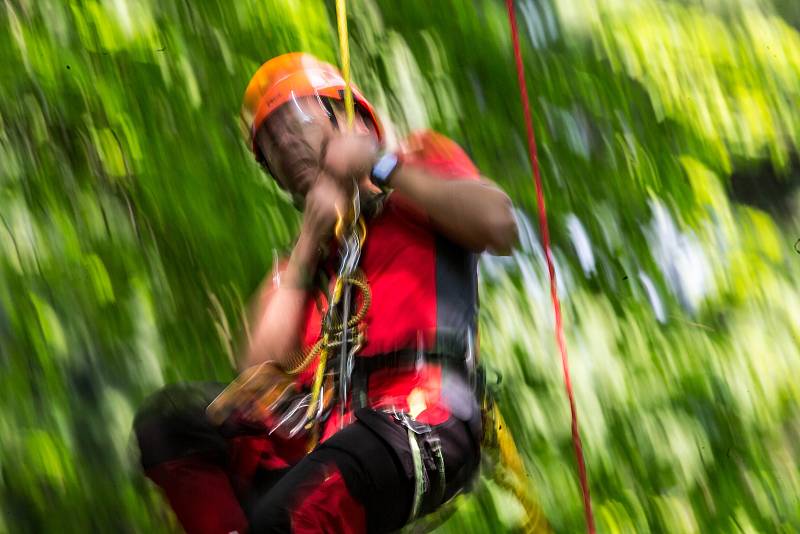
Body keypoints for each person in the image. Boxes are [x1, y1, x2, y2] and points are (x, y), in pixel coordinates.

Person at [133, 52, 518, 534]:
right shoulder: (306, 264)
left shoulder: (416, 177)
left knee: (294, 516)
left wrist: (381, 165)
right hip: (323, 438)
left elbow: (499, 225)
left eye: (296, 120)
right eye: (270, 143)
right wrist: (308, 245)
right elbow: (253, 375)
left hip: (421, 413)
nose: (286, 143)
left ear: (345, 117)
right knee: (172, 422)